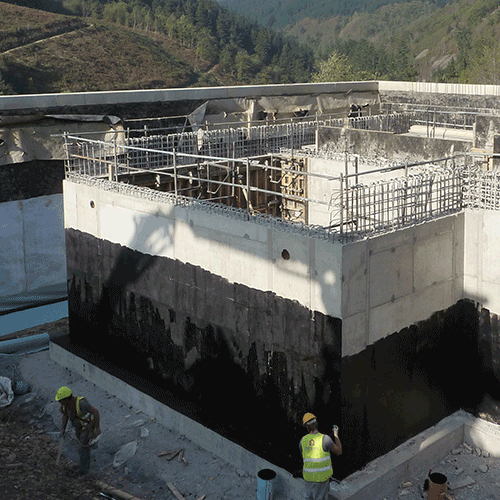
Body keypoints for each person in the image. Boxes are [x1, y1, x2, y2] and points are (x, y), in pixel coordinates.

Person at [55, 386, 101, 475]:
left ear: (67, 399)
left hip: (87, 427)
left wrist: (96, 428)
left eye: (60, 400)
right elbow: (65, 415)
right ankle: (81, 465)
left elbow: (96, 412)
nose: (59, 402)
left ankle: (84, 471)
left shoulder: (82, 403)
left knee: (83, 447)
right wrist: (62, 429)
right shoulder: (65, 406)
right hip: (78, 428)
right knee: (81, 447)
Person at [300, 412, 342, 500]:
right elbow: (339, 452)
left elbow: (304, 457)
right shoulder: (325, 439)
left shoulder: (302, 441)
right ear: (316, 424)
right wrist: (336, 435)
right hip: (321, 480)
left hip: (308, 479)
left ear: (307, 427)